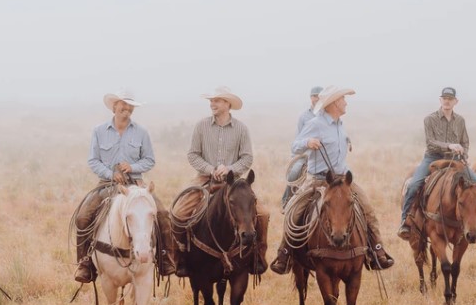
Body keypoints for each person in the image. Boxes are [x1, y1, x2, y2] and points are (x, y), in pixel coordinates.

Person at [270, 86, 395, 274]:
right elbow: (295, 146)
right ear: (334, 103)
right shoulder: (315, 123)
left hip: (343, 179)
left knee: (367, 209)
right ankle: (284, 254)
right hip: (319, 179)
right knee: (294, 211)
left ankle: (377, 250)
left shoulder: (339, 124)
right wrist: (308, 142)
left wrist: (346, 143)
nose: (346, 102)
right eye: (343, 99)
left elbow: (335, 142)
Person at [73, 91, 175, 283]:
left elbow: (150, 159)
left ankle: (164, 259)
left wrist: (133, 167)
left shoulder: (141, 132)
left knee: (162, 214)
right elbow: (93, 160)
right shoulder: (99, 131)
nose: (126, 111)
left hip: (136, 185)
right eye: (122, 108)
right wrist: (110, 174)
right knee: (83, 216)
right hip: (107, 184)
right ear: (114, 108)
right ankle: (85, 263)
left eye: (129, 108)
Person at [170, 86, 269, 277]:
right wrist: (211, 169)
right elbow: (193, 155)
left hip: (234, 182)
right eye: (211, 101)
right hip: (204, 179)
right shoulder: (201, 126)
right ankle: (180, 257)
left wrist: (230, 168)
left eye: (217, 100)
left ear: (227, 104)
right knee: (178, 212)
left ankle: (258, 256)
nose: (212, 104)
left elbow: (247, 158)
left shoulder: (241, 129)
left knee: (263, 214)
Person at [397, 86, 476, 240]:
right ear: (440, 100)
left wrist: (463, 152)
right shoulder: (430, 119)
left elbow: (465, 142)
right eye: (444, 98)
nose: (447, 101)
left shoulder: (460, 120)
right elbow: (430, 142)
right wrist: (449, 145)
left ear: (455, 101)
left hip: (456, 159)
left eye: (450, 99)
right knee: (413, 185)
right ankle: (405, 222)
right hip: (433, 157)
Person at [281, 86, 324, 208]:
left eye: (319, 97)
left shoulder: (327, 115)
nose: (317, 99)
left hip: (323, 156)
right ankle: (286, 200)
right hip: (305, 155)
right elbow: (297, 141)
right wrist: (307, 143)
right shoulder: (304, 117)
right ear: (311, 98)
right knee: (294, 173)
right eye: (315, 96)